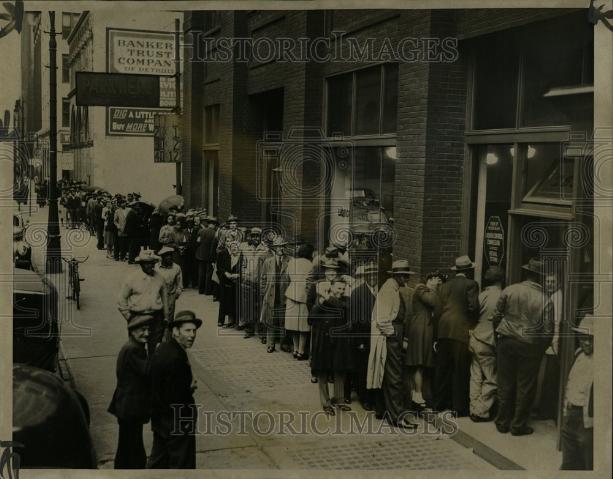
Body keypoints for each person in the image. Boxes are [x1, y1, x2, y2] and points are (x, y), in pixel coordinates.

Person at [493, 258, 554, 436]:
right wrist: (540, 349)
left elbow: (496, 316)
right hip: (529, 345)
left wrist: (499, 337)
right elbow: (548, 331)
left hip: (506, 340)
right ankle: (518, 425)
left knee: (504, 382)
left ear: (527, 273)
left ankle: (502, 421)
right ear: (540, 277)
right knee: (525, 387)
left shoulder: (510, 290)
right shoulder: (545, 300)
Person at [367, 259, 418, 429]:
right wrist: (394, 335)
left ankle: (383, 410)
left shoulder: (393, 288)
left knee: (388, 374)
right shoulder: (389, 290)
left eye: (407, 275)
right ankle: (397, 416)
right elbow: (382, 320)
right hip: (389, 337)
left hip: (393, 335)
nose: (407, 279)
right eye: (404, 276)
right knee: (395, 376)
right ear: (397, 276)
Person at [148, 311, 201, 469]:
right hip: (177, 422)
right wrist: (189, 389)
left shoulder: (164, 348)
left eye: (194, 331)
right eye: (187, 331)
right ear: (176, 331)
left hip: (161, 420)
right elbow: (176, 397)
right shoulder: (176, 358)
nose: (192, 335)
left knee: (158, 463)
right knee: (182, 467)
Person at [433, 255, 480, 418]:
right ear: (468, 271)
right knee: (460, 370)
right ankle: (459, 408)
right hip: (460, 331)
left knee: (442, 369)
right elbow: (473, 307)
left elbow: (437, 310)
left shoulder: (444, 286)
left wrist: (437, 332)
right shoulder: (471, 284)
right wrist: (472, 325)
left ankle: (439, 404)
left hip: (443, 329)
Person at [107, 314, 153, 469]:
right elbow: (148, 372)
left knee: (126, 444)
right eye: (142, 330)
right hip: (131, 405)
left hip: (125, 404)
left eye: (148, 329)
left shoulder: (131, 346)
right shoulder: (134, 350)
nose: (146, 333)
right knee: (133, 445)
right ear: (132, 331)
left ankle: (122, 469)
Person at [309, 278, 353, 416]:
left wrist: (326, 298)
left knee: (339, 372)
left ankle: (339, 401)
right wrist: (320, 304)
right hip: (323, 343)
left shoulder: (345, 301)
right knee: (322, 373)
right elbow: (311, 319)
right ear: (332, 287)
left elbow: (342, 308)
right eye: (338, 288)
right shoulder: (322, 301)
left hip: (339, 343)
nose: (341, 291)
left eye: (343, 289)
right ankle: (326, 403)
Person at [405, 271, 445, 409]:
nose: (439, 284)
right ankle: (416, 394)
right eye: (437, 280)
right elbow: (434, 302)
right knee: (418, 363)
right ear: (431, 279)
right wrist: (435, 289)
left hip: (424, 330)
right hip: (420, 330)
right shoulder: (421, 288)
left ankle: (417, 394)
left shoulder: (426, 290)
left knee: (421, 364)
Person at [468, 266, 504, 422]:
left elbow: (473, 314)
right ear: (501, 280)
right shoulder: (502, 296)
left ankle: (473, 407)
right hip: (489, 341)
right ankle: (481, 410)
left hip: (475, 338)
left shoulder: (482, 295)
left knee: (476, 375)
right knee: (492, 378)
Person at [118, 249, 169, 354]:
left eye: (152, 263)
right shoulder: (131, 279)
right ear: (141, 264)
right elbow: (121, 299)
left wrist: (166, 316)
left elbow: (165, 299)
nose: (151, 266)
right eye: (147, 263)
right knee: (136, 348)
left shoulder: (160, 278)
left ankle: (151, 368)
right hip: (137, 317)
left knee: (154, 348)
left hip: (156, 317)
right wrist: (129, 316)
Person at [560, 314, 594, 470]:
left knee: (589, 463)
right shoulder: (579, 354)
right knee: (568, 462)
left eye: (591, 338)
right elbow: (570, 383)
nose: (586, 342)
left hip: (588, 420)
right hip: (571, 415)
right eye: (583, 337)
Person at [348, 262, 378, 411]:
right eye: (370, 275)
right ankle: (365, 398)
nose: (373, 277)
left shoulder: (381, 292)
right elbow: (354, 319)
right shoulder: (357, 293)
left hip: (378, 337)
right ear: (365, 276)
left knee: (376, 368)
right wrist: (359, 341)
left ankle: (375, 398)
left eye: (375, 275)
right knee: (363, 368)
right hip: (363, 338)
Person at [259, 236, 290, 352]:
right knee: (270, 320)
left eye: (282, 246)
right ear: (275, 248)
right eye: (278, 246)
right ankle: (270, 344)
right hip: (271, 295)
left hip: (284, 295)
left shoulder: (290, 260)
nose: (280, 249)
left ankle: (284, 343)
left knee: (283, 320)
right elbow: (263, 278)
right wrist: (264, 292)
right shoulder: (268, 261)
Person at [284, 243, 314, 360]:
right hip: (303, 296)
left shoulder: (291, 262)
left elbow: (287, 278)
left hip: (291, 294)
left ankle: (295, 349)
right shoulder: (310, 264)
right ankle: (301, 351)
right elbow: (310, 281)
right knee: (303, 326)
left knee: (292, 325)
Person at [238, 227, 268, 338]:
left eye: (257, 236)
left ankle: (261, 332)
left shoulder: (265, 250)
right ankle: (249, 329)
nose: (255, 238)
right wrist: (244, 276)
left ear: (261, 237)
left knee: (260, 306)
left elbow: (267, 266)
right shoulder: (245, 249)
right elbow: (243, 265)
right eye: (253, 236)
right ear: (250, 236)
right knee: (248, 306)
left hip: (260, 282)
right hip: (248, 281)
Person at [216, 241, 241, 328]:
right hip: (225, 280)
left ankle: (233, 321)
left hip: (236, 282)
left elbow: (244, 269)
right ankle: (221, 320)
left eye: (236, 246)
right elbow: (219, 267)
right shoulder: (225, 255)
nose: (234, 248)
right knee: (223, 300)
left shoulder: (241, 258)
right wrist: (226, 273)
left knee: (234, 301)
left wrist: (238, 275)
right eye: (232, 246)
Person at [155, 246, 183, 323]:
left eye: (170, 255)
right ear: (162, 257)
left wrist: (176, 294)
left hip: (170, 297)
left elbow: (180, 284)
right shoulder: (156, 268)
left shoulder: (176, 268)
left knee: (169, 320)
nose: (169, 257)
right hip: (157, 297)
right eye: (167, 255)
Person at [196, 216, 219, 295]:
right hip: (210, 256)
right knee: (208, 274)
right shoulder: (215, 233)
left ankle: (200, 290)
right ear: (214, 224)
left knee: (201, 273)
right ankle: (207, 291)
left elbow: (198, 242)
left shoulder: (201, 231)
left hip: (200, 255)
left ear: (208, 224)